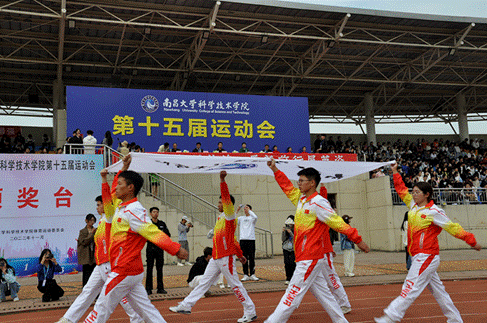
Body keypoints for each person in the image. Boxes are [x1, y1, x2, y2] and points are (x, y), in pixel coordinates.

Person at [264, 157, 370, 323]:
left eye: (302, 181)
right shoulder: (301, 199)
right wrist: (275, 170)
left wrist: (358, 240)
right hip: (307, 257)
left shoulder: (318, 202)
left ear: (312, 183)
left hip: (311, 257)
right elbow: (287, 187)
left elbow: (336, 222)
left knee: (291, 294)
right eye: (298, 180)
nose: (298, 183)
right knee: (325, 295)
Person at [374, 163, 482, 323]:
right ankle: (455, 320)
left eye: (417, 192)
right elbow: (401, 190)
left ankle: (391, 316)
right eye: (413, 192)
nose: (414, 194)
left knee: (410, 286)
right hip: (417, 255)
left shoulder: (434, 212)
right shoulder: (413, 206)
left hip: (427, 256)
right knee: (440, 292)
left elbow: (452, 227)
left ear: (427, 194)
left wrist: (472, 242)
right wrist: (395, 172)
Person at [82, 166, 188, 323]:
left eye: (119, 184)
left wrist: (175, 249)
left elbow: (151, 231)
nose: (116, 187)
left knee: (100, 310)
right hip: (130, 271)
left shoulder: (134, 210)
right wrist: (109, 176)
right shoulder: (120, 206)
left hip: (124, 270)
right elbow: (109, 196)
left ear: (130, 188)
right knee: (148, 312)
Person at [56, 157, 143, 323]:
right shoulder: (102, 221)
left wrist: (122, 169)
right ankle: (68, 319)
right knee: (88, 291)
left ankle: (137, 318)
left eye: (100, 204)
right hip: (101, 263)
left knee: (120, 295)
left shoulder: (112, 218)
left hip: (111, 263)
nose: (98, 207)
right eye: (97, 205)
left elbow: (114, 191)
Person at [170, 171, 257, 323]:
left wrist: (222, 181)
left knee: (235, 285)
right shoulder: (220, 218)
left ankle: (250, 311)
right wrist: (241, 255)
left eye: (220, 202)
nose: (218, 205)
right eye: (218, 202)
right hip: (216, 258)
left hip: (225, 258)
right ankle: (186, 305)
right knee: (204, 283)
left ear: (226, 204)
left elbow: (233, 239)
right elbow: (233, 240)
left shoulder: (230, 217)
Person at [319, 185, 353, 315]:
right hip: (313, 253)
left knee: (332, 279)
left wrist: (322, 184)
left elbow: (322, 198)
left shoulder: (324, 216)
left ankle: (344, 303)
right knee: (312, 282)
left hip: (323, 252)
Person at [146, 206, 171, 295]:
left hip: (160, 249)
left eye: (157, 212)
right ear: (150, 213)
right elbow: (145, 235)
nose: (155, 213)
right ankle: (148, 289)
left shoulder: (162, 224)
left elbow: (168, 235)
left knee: (159, 269)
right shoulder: (148, 224)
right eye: (153, 212)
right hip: (150, 249)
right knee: (149, 269)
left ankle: (160, 288)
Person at [237, 204, 259, 281]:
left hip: (251, 240)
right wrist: (238, 210)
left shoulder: (252, 218)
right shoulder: (241, 218)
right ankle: (245, 274)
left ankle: (252, 274)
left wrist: (249, 210)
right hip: (243, 240)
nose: (245, 209)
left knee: (252, 258)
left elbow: (255, 217)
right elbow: (233, 220)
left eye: (247, 208)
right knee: (244, 258)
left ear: (250, 210)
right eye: (245, 208)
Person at [78, 213, 97, 287]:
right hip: (86, 255)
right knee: (86, 274)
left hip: (93, 255)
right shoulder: (83, 231)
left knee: (94, 274)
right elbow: (84, 242)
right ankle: (85, 289)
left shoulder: (95, 230)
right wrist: (91, 234)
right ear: (86, 220)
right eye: (90, 220)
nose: (92, 222)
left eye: (93, 220)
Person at [281, 216, 295, 285]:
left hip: (293, 248)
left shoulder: (296, 229)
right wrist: (284, 232)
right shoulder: (286, 229)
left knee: (292, 263)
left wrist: (290, 232)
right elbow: (283, 239)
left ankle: (293, 277)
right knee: (287, 263)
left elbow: (296, 238)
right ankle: (288, 278)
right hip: (286, 248)